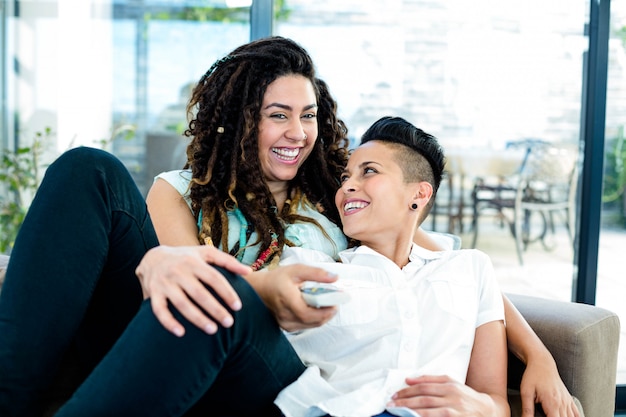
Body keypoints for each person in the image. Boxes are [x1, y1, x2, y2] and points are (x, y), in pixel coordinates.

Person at [0, 36, 577, 416]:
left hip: (265, 369)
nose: (298, 133)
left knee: (227, 299)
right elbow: (182, 288)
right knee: (89, 169)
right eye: (278, 115)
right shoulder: (175, 193)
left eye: (308, 116)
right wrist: (161, 259)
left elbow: (448, 265)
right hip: (170, 340)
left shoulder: (338, 198)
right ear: (240, 121)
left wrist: (540, 356)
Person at [275, 116, 509, 417]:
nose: (347, 187)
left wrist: (483, 407)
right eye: (345, 178)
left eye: (368, 172)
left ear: (419, 194)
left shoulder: (470, 269)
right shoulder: (309, 268)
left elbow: (496, 401)